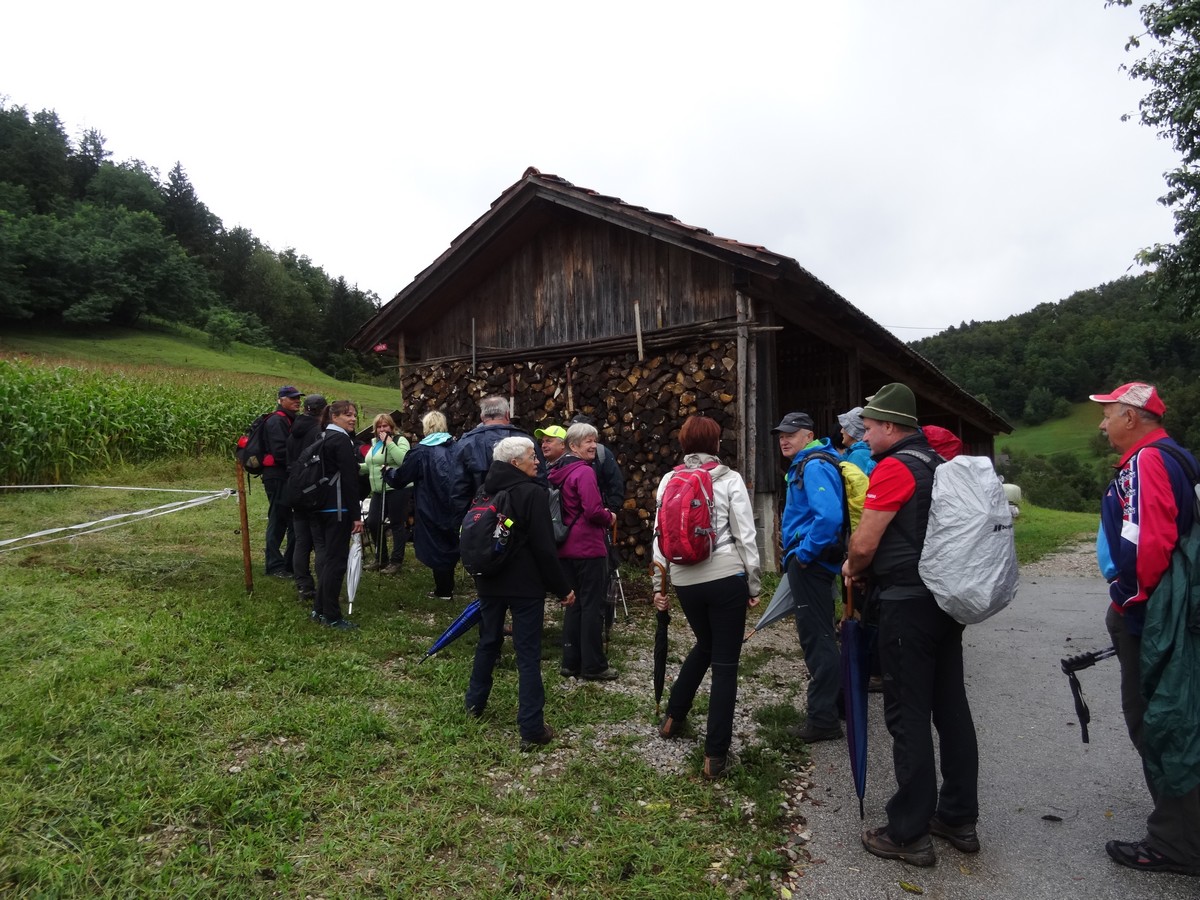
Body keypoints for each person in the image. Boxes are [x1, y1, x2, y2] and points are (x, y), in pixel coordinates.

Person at [842, 382, 979, 867]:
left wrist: (852, 568)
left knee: (907, 714)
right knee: (951, 707)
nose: (865, 431)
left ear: (892, 427)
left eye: (871, 425)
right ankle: (958, 817)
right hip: (945, 600)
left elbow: (864, 544)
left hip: (906, 603)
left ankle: (908, 833)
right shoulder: (937, 465)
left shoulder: (895, 468)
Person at [1090, 381, 1200, 876]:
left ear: (1132, 417)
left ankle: (1177, 843)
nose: (1101, 423)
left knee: (1158, 720)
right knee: (1177, 713)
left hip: (1153, 615)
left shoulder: (1146, 462)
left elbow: (1147, 541)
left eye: (1108, 414)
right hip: (1177, 606)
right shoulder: (1179, 456)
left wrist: (1128, 599)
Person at [652, 415, 761, 778]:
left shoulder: (669, 479)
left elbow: (659, 537)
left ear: (683, 445)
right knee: (726, 663)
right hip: (724, 574)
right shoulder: (729, 480)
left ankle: (673, 717)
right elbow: (745, 535)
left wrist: (659, 586)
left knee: (706, 644)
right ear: (716, 444)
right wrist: (754, 583)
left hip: (684, 578)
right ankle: (715, 756)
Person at [464, 437, 576, 750]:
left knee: (488, 642)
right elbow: (544, 547)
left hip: (488, 581)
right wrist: (562, 588)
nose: (537, 460)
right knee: (527, 654)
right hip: (525, 587)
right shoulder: (532, 493)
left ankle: (473, 706)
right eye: (531, 456)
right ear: (515, 462)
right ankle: (531, 728)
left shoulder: (485, 489)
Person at [773, 411, 847, 743]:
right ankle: (838, 706)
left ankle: (823, 720)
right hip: (816, 563)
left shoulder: (813, 464)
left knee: (817, 640)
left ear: (809, 435)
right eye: (780, 435)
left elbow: (829, 517)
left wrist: (803, 553)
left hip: (811, 564)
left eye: (791, 433)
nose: (784, 439)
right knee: (822, 636)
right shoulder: (814, 461)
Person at [550, 421, 618, 680]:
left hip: (565, 545)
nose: (593, 445)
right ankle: (593, 665)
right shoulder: (585, 472)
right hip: (588, 546)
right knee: (592, 605)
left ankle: (570, 662)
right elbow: (592, 511)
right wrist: (609, 515)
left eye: (594, 440)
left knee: (574, 604)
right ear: (573, 446)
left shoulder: (557, 471)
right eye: (588, 441)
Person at [386, 410, 459, 600]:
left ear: (427, 427)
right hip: (456, 503)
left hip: (430, 505)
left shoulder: (421, 451)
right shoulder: (457, 446)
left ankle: (443, 590)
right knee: (450, 541)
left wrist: (387, 473)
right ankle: (447, 586)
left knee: (436, 546)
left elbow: (401, 478)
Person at [311, 400, 364, 630]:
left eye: (353, 415)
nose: (352, 419)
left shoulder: (321, 437)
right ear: (334, 417)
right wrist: (356, 515)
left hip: (317, 507)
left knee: (325, 560)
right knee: (336, 563)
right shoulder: (341, 439)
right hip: (338, 509)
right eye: (347, 415)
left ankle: (318, 608)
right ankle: (331, 615)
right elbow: (350, 479)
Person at [451, 395, 544, 521]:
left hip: (478, 521)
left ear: (482, 417)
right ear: (507, 415)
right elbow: (541, 482)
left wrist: (463, 525)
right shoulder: (526, 442)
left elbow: (458, 491)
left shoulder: (465, 444)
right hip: (522, 520)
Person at [287, 393, 327, 602]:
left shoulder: (294, 430)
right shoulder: (317, 432)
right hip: (312, 489)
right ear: (323, 410)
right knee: (319, 541)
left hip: (295, 488)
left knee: (302, 541)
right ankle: (323, 586)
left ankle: (303, 585)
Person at [360, 413, 410, 575]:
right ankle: (381, 558)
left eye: (385, 426)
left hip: (397, 488)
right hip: (378, 489)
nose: (382, 429)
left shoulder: (399, 441)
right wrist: (357, 468)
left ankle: (396, 561)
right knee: (373, 522)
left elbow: (403, 460)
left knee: (396, 523)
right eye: (379, 426)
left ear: (391, 426)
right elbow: (372, 465)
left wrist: (389, 443)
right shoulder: (374, 443)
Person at [262, 385, 302, 579]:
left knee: (293, 521)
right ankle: (274, 565)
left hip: (287, 476)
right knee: (278, 519)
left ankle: (289, 564)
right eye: (292, 398)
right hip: (277, 476)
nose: (297, 401)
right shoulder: (277, 421)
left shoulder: (290, 419)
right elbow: (279, 452)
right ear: (281, 400)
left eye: (298, 398)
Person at [837, 406, 876, 475]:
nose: (841, 431)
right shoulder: (863, 451)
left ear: (853, 431)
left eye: (845, 427)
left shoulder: (858, 455)